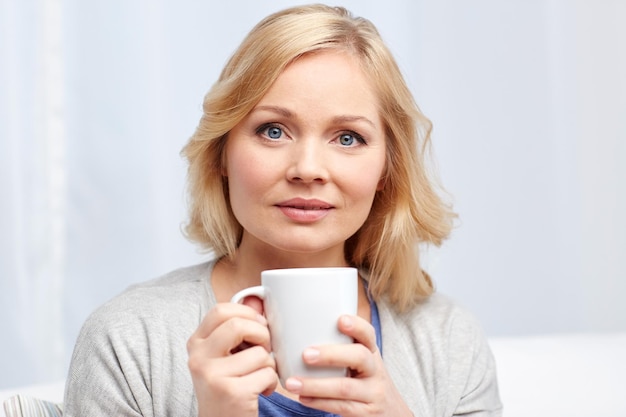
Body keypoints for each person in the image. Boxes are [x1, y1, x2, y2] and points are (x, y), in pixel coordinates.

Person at [64, 4, 502, 417]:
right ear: (221, 154)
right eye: (273, 131)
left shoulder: (449, 340)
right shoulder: (126, 340)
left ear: (388, 167)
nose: (308, 169)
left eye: (348, 137)